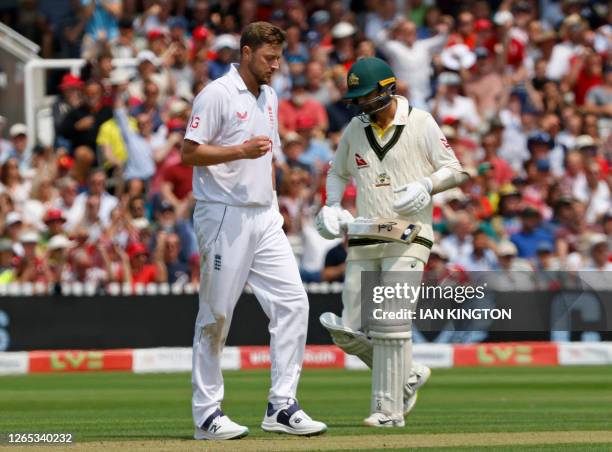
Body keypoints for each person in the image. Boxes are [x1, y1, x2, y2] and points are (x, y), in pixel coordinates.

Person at [181, 21, 327, 440]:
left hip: (265, 215)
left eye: (279, 57)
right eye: (268, 58)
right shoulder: (216, 94)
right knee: (216, 315)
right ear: (246, 53)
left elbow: (266, 159)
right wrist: (238, 151)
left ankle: (282, 406)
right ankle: (207, 415)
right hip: (224, 214)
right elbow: (189, 152)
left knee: (294, 303)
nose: (275, 65)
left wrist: (276, 199)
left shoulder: (271, 95)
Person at [315, 57, 468, 426]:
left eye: (366, 97)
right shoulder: (355, 127)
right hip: (366, 233)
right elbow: (337, 172)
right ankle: (409, 373)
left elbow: (456, 169)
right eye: (357, 99)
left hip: (410, 234)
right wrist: (332, 205)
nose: (361, 105)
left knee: (390, 323)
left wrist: (425, 185)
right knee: (346, 330)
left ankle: (388, 411)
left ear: (387, 88)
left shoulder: (421, 122)